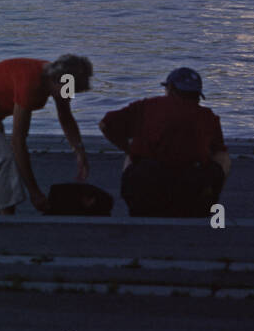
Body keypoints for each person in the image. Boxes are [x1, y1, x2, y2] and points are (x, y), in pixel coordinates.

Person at [0, 55, 93, 216]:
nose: (69, 95)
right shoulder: (30, 84)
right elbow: (18, 142)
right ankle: (7, 219)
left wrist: (79, 151)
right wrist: (35, 193)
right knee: (3, 158)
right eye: (69, 90)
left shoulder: (56, 78)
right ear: (58, 80)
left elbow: (65, 116)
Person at [99, 67, 231, 218]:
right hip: (191, 190)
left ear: (170, 89)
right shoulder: (208, 117)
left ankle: (134, 202)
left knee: (133, 155)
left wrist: (128, 150)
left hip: (146, 188)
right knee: (223, 156)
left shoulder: (146, 106)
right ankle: (209, 200)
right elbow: (218, 152)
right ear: (198, 95)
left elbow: (105, 125)